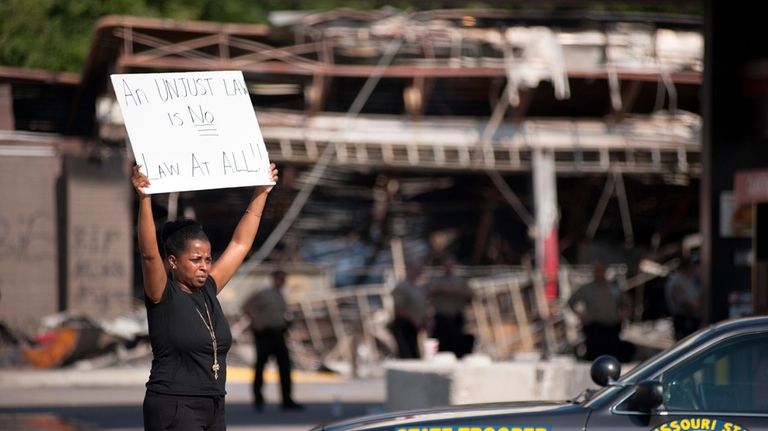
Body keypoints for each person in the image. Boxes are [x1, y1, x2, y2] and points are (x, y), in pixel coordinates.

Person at [131, 163, 278, 431]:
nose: (204, 266)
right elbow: (149, 254)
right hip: (173, 405)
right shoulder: (162, 294)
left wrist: (262, 191)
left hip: (213, 404)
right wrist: (145, 199)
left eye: (208, 259)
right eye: (196, 259)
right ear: (174, 261)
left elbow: (240, 244)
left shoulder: (209, 288)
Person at [242, 270, 303, 411]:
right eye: (279, 279)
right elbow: (245, 306)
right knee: (261, 366)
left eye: (283, 279)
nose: (281, 282)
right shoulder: (264, 293)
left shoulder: (280, 296)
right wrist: (255, 320)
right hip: (265, 334)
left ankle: (286, 399)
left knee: (285, 366)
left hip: (278, 334)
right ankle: (258, 399)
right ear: (274, 279)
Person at [567, 261, 631, 362]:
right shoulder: (587, 289)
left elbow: (626, 302)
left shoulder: (613, 288)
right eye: (597, 271)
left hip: (612, 327)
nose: (599, 274)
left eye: (602, 271)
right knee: (594, 356)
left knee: (613, 355)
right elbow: (571, 302)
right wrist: (582, 316)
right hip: (595, 327)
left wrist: (624, 315)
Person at [426, 257, 474, 358]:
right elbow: (428, 293)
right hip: (442, 316)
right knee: (443, 343)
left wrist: (455, 292)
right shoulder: (436, 280)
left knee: (459, 342)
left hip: (456, 316)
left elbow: (470, 295)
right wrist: (443, 290)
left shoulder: (460, 281)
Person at [390, 262, 428, 359]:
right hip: (403, 325)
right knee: (407, 355)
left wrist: (424, 320)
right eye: (415, 270)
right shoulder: (401, 287)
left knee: (416, 354)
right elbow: (398, 308)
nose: (417, 272)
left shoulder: (418, 288)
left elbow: (422, 307)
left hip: (415, 325)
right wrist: (413, 318)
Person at [664, 258, 701, 340]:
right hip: (684, 319)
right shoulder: (678, 281)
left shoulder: (687, 279)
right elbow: (688, 303)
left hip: (687, 319)